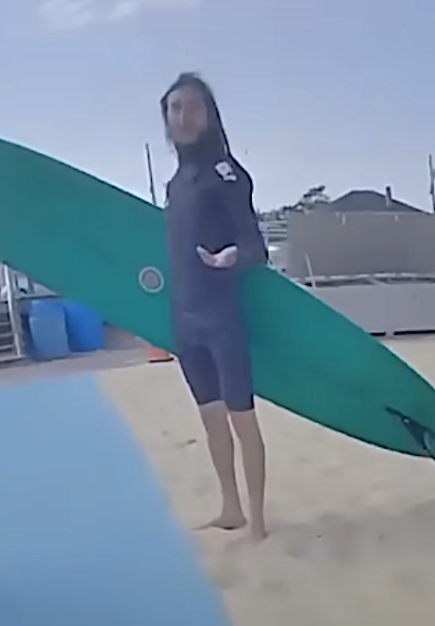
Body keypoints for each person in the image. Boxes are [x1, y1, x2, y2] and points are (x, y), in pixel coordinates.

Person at [161, 73, 270, 541]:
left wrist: (232, 257)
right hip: (184, 319)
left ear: (209, 116)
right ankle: (231, 508)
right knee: (210, 419)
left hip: (222, 316)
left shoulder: (226, 174)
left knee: (242, 418)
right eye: (175, 108)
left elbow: (256, 247)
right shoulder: (175, 184)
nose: (183, 117)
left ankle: (258, 519)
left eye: (193, 107)